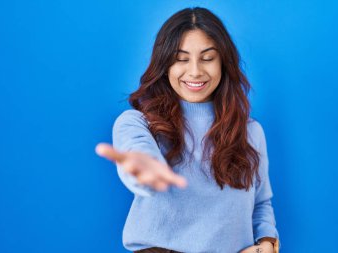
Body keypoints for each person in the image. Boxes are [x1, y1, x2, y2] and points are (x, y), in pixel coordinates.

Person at [96, 7, 280, 253]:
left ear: (223, 62)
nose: (195, 71)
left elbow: (260, 203)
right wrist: (144, 169)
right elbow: (138, 153)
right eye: (181, 59)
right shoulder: (137, 123)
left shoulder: (250, 131)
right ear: (165, 65)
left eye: (207, 57)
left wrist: (267, 243)